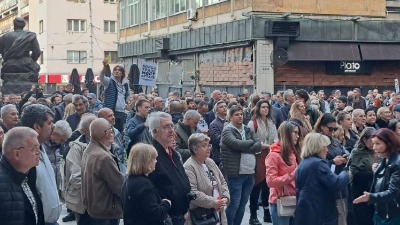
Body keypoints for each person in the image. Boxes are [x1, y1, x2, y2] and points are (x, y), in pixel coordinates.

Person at [295, 133, 350, 225]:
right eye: (325, 147)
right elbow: (336, 183)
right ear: (318, 147)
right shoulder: (318, 163)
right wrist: (346, 171)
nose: (327, 150)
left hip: (306, 212)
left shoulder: (304, 163)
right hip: (321, 214)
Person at [220, 106, 262, 225]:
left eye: (241, 114)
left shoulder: (247, 129)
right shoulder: (227, 130)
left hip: (250, 173)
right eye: (237, 114)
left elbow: (258, 145)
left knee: (243, 204)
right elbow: (235, 144)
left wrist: (244, 147)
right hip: (236, 174)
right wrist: (250, 143)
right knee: (234, 203)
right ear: (231, 117)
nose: (240, 116)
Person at [21, 104, 62, 225]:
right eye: (49, 123)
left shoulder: (40, 147)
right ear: (37, 127)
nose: (53, 126)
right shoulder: (26, 157)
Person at [147, 112, 191, 225]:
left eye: (172, 125)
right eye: (166, 127)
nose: (171, 130)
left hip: (182, 214)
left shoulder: (174, 153)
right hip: (167, 217)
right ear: (155, 131)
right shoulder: (151, 155)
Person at [81, 118, 124, 224]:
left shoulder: (89, 150)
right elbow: (119, 186)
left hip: (94, 209)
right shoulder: (103, 157)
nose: (112, 133)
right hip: (106, 212)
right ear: (107, 133)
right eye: (111, 130)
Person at [353, 128, 400, 225]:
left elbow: (393, 191)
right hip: (381, 212)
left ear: (389, 144)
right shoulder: (384, 160)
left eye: (378, 144)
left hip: (393, 214)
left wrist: (371, 197)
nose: (374, 147)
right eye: (373, 143)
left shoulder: (397, 164)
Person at [0, 127, 44, 225]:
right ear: (17, 154)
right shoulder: (2, 183)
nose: (39, 152)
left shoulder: (28, 174)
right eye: (35, 148)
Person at [183, 133, 230, 225]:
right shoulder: (188, 167)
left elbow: (222, 181)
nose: (208, 148)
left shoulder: (210, 161)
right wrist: (213, 202)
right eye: (204, 146)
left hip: (218, 209)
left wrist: (225, 197)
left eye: (209, 145)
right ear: (195, 149)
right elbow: (192, 193)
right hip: (202, 216)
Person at [122, 143, 172, 225]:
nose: (156, 161)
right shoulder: (144, 184)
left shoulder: (128, 179)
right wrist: (166, 203)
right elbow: (155, 213)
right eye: (154, 158)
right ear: (146, 161)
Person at [247, 100, 278, 224]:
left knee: (267, 185)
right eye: (263, 107)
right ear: (258, 108)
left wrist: (274, 145)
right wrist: (267, 145)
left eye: (267, 107)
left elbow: (276, 137)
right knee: (256, 186)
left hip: (270, 154)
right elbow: (251, 141)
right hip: (257, 155)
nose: (265, 109)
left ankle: (266, 213)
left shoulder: (271, 122)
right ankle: (253, 215)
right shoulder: (252, 123)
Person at [266, 121, 301, 225]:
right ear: (286, 134)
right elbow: (271, 182)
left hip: (294, 199)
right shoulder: (274, 155)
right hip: (279, 202)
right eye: (295, 133)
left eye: (298, 133)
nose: (297, 136)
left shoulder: (293, 153)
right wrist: (292, 175)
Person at [64, 115, 97, 225]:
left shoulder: (106, 143)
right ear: (87, 130)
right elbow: (76, 177)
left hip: (102, 204)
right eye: (96, 126)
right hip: (86, 204)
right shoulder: (76, 148)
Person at [350, 127, 378, 225]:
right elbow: (355, 174)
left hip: (375, 190)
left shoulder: (377, 151)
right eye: (371, 141)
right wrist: (373, 172)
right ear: (364, 139)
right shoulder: (357, 152)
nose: (374, 144)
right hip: (361, 190)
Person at [100, 60, 130, 133]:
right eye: (115, 70)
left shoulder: (125, 84)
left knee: (119, 132)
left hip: (121, 112)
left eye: (119, 70)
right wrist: (104, 66)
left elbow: (128, 95)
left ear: (122, 73)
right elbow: (101, 76)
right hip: (110, 111)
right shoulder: (109, 81)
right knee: (109, 130)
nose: (117, 71)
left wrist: (126, 103)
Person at [209, 100, 227, 165]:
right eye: (221, 107)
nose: (224, 108)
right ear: (216, 111)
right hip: (219, 156)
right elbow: (216, 140)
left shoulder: (229, 122)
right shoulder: (214, 124)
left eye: (225, 106)